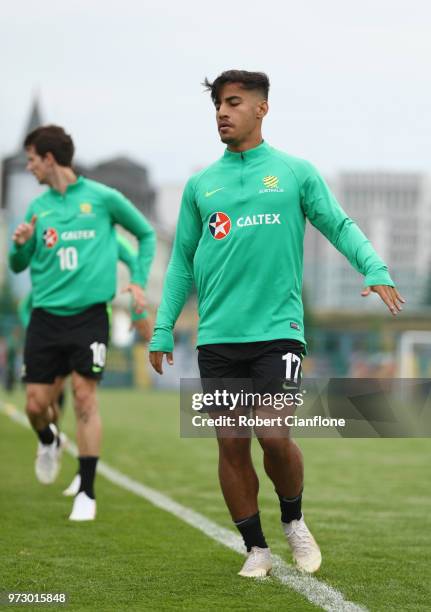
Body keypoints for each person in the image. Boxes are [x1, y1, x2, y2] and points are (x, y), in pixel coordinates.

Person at [149, 70, 404, 577]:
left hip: (278, 330)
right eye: (218, 104)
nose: (223, 112)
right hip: (218, 335)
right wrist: (162, 328)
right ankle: (256, 548)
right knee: (230, 441)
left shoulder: (293, 172)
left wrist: (373, 268)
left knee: (272, 433)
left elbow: (338, 223)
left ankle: (294, 519)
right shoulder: (202, 184)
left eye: (234, 102)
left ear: (262, 109)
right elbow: (180, 261)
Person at [9, 125, 155, 521]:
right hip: (45, 318)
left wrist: (138, 283)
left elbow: (144, 234)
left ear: (49, 159)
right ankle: (49, 438)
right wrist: (21, 244)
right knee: (36, 405)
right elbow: (16, 264)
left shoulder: (102, 198)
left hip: (90, 316)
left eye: (32, 159)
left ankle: (87, 491)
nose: (29, 166)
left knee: (85, 397)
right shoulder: (37, 209)